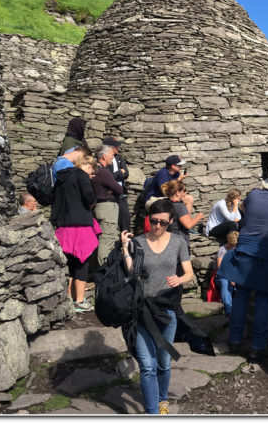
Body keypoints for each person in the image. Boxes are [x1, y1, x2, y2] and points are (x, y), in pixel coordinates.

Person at [216, 167, 268, 361]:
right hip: (265, 252)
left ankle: (235, 340)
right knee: (262, 300)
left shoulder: (253, 195)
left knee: (241, 297)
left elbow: (243, 208)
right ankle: (258, 346)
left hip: (244, 248)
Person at [119, 199, 194, 415]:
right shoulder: (139, 242)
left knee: (164, 361)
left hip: (166, 310)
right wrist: (126, 249)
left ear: (171, 221)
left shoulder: (178, 242)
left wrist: (180, 280)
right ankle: (152, 413)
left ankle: (162, 400)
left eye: (163, 222)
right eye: (154, 221)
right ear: (148, 219)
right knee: (147, 365)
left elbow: (189, 272)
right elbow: (132, 273)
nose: (158, 226)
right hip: (141, 310)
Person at [51, 154, 101, 312]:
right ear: (89, 167)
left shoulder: (62, 176)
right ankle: (80, 300)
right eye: (92, 168)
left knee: (70, 263)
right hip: (80, 225)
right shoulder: (82, 176)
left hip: (62, 226)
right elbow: (89, 197)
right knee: (82, 263)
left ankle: (69, 299)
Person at [92, 145, 124, 265]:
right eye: (111, 155)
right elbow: (119, 189)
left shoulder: (94, 170)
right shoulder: (103, 172)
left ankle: (96, 272)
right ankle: (104, 273)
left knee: (99, 240)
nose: (113, 157)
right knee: (107, 240)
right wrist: (113, 188)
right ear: (104, 157)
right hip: (107, 209)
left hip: (99, 207)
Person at [161, 180, 204, 245]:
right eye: (184, 190)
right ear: (177, 193)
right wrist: (199, 216)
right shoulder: (179, 206)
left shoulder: (163, 203)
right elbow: (188, 225)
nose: (185, 193)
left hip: (165, 240)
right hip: (179, 242)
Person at [103, 136, 131, 232]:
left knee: (125, 218)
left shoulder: (119, 158)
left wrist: (117, 175)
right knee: (109, 222)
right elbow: (107, 177)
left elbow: (126, 173)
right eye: (116, 146)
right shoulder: (104, 160)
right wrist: (119, 173)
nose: (118, 148)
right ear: (109, 148)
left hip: (121, 193)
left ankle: (127, 242)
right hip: (110, 194)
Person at [215, 240, 237, 318]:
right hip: (221, 276)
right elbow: (220, 269)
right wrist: (231, 278)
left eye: (236, 245)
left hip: (233, 277)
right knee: (225, 283)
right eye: (233, 245)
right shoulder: (222, 250)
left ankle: (231, 308)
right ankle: (228, 310)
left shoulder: (238, 250)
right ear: (229, 244)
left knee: (230, 285)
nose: (235, 247)